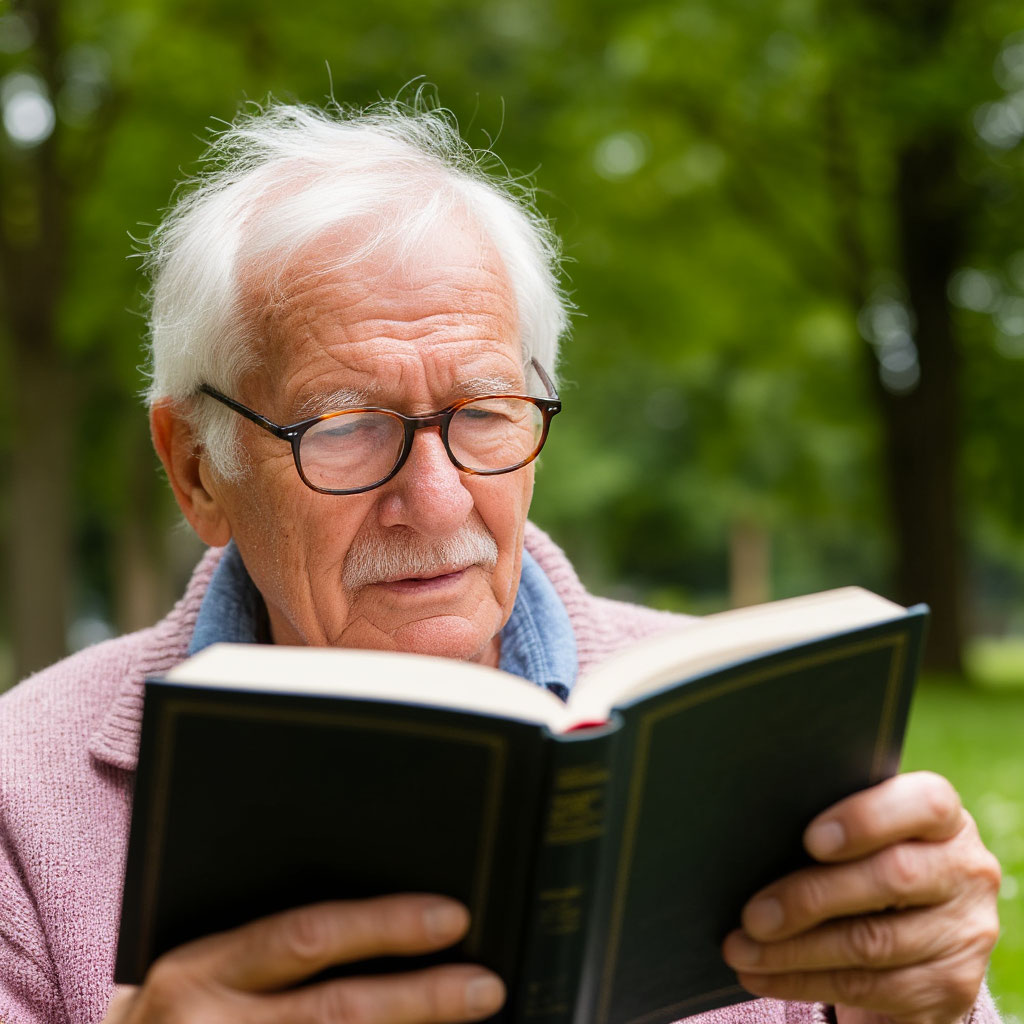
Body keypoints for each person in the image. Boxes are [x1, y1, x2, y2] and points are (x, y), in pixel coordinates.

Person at [0, 99, 1002, 1024]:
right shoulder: (18, 799)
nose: (435, 499)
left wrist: (932, 1005)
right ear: (195, 471)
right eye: (346, 426)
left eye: (483, 412)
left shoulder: (741, 726)